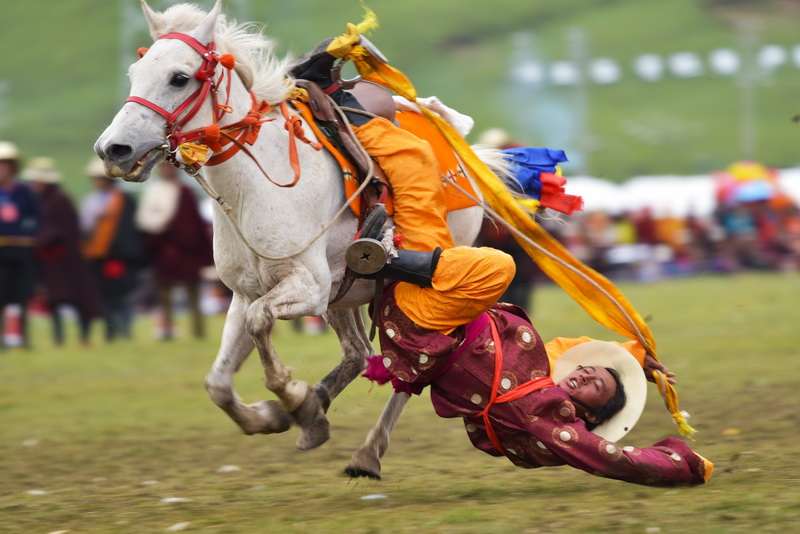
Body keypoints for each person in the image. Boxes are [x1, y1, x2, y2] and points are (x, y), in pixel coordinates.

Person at [293, 40, 712, 486]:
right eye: (591, 373)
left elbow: (615, 459)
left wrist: (685, 466)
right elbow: (579, 352)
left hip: (427, 328)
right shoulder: (547, 368)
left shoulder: (548, 418)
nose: (587, 374)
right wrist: (639, 362)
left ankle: (385, 259)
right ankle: (336, 106)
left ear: (585, 412)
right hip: (438, 291)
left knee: (499, 267)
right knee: (416, 164)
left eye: (595, 386)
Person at [24, 158, 101, 345]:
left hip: (67, 259)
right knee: (55, 301)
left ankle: (83, 338)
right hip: (53, 261)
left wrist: (36, 241)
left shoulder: (59, 200)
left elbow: (58, 230)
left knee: (78, 299)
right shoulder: (43, 200)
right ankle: (59, 339)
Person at [136, 163, 212, 340]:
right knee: (164, 294)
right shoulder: (154, 192)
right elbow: (147, 221)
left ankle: (198, 332)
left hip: (187, 252)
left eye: (170, 168)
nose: (167, 171)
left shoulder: (186, 191)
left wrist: (198, 247)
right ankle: (167, 331)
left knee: (193, 292)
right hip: (164, 250)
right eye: (164, 168)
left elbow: (195, 223)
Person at [81, 157, 144, 341]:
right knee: (104, 297)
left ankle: (125, 331)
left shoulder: (124, 200)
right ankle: (110, 331)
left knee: (122, 296)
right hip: (97, 257)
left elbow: (128, 231)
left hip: (118, 257)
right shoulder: (90, 201)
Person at [0, 141, 38, 349]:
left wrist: (23, 230)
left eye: (5, 165)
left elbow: (34, 218)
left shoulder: (24, 191)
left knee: (22, 295)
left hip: (22, 250)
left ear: (13, 167)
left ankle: (23, 339)